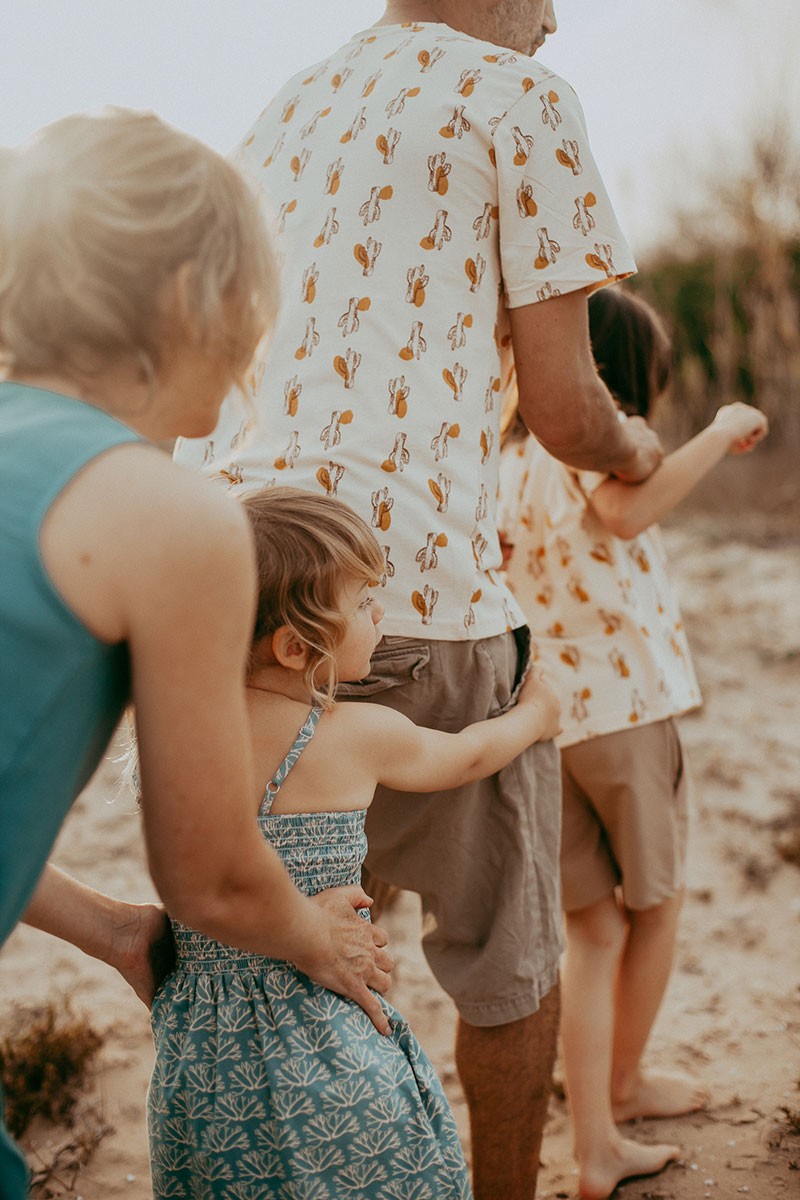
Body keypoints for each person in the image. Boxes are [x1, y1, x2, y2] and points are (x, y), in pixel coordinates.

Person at [174, 3, 665, 1194]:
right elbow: (561, 407)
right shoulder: (523, 99)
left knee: (301, 939)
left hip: (226, 583)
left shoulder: (285, 103)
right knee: (506, 957)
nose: (554, 19)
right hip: (408, 591)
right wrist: (632, 449)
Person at [0, 107, 393, 1199]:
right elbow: (211, 871)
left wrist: (117, 930)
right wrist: (313, 943)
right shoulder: (172, 517)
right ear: (190, 299)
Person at [146, 484, 561, 1197]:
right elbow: (464, 756)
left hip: (201, 1054)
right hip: (322, 1030)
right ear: (296, 645)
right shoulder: (353, 735)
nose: (382, 615)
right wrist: (536, 716)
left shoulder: (176, 733)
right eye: (367, 602)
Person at [497, 286, 769, 1200]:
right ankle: (620, 1088)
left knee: (593, 929)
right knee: (655, 905)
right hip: (624, 711)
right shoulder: (596, 434)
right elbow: (625, 513)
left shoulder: (507, 454)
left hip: (548, 723)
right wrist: (722, 426)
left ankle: (597, 1138)